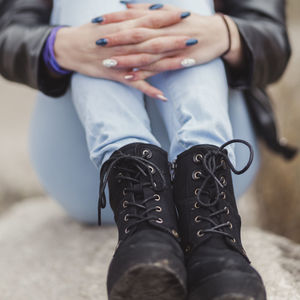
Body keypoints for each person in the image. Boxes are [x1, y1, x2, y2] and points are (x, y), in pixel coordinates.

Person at [0, 0, 294, 299]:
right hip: (85, 171)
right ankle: (140, 210)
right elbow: (8, 35)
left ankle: (210, 227)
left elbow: (272, 36)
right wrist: (58, 46)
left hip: (217, 163)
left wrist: (227, 34)